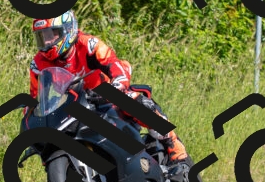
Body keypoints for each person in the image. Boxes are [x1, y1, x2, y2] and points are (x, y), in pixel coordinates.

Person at [28, 10, 191, 167]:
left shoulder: (88, 44)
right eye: (42, 37)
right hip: (74, 107)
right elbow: (35, 99)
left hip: (104, 97)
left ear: (68, 29)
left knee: (130, 100)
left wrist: (118, 83)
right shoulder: (38, 64)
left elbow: (114, 64)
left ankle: (173, 143)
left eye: (51, 35)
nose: (46, 42)